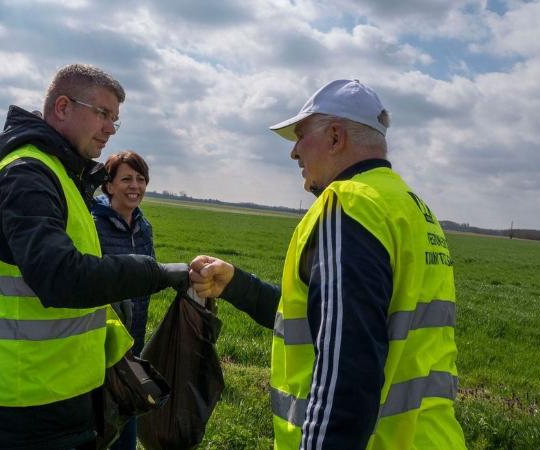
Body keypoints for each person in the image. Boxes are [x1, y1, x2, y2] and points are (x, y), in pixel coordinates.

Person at [189, 80, 466, 449]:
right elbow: (330, 321)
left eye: (301, 136)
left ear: (335, 137)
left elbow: (346, 370)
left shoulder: (348, 205)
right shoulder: (411, 207)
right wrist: (236, 284)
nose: (294, 153)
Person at [0, 64, 189, 450]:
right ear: (62, 107)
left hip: (62, 395)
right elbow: (62, 278)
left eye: (116, 120)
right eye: (102, 113)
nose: (111, 129)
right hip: (21, 405)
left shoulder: (64, 177)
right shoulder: (28, 176)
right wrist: (157, 273)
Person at [91, 150, 154, 450]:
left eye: (141, 179)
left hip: (133, 343)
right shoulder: (94, 224)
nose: (135, 186)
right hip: (97, 343)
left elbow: (150, 277)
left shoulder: (144, 228)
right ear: (109, 185)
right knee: (98, 423)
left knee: (127, 416)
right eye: (126, 178)